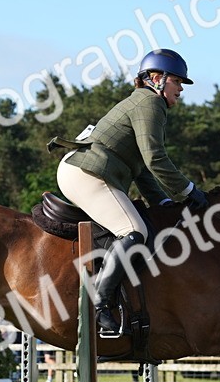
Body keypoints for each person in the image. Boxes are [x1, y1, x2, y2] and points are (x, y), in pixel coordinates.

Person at [55, 48, 206, 338]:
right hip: (86, 173)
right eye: (177, 82)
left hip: (91, 171)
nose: (180, 90)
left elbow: (141, 167)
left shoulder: (144, 102)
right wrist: (188, 189)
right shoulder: (151, 103)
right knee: (134, 231)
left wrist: (162, 201)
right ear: (157, 79)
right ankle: (100, 305)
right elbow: (155, 158)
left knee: (141, 224)